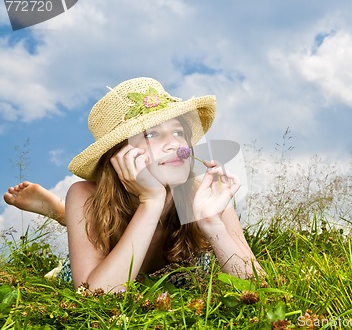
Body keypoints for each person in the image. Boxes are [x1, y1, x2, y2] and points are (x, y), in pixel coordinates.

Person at [3, 77, 264, 293]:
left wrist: (212, 222)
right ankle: (65, 213)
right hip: (104, 236)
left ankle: (64, 216)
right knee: (93, 229)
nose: (174, 144)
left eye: (178, 132)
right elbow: (95, 296)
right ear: (117, 156)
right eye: (151, 134)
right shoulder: (85, 195)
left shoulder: (204, 191)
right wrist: (150, 202)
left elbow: (259, 288)